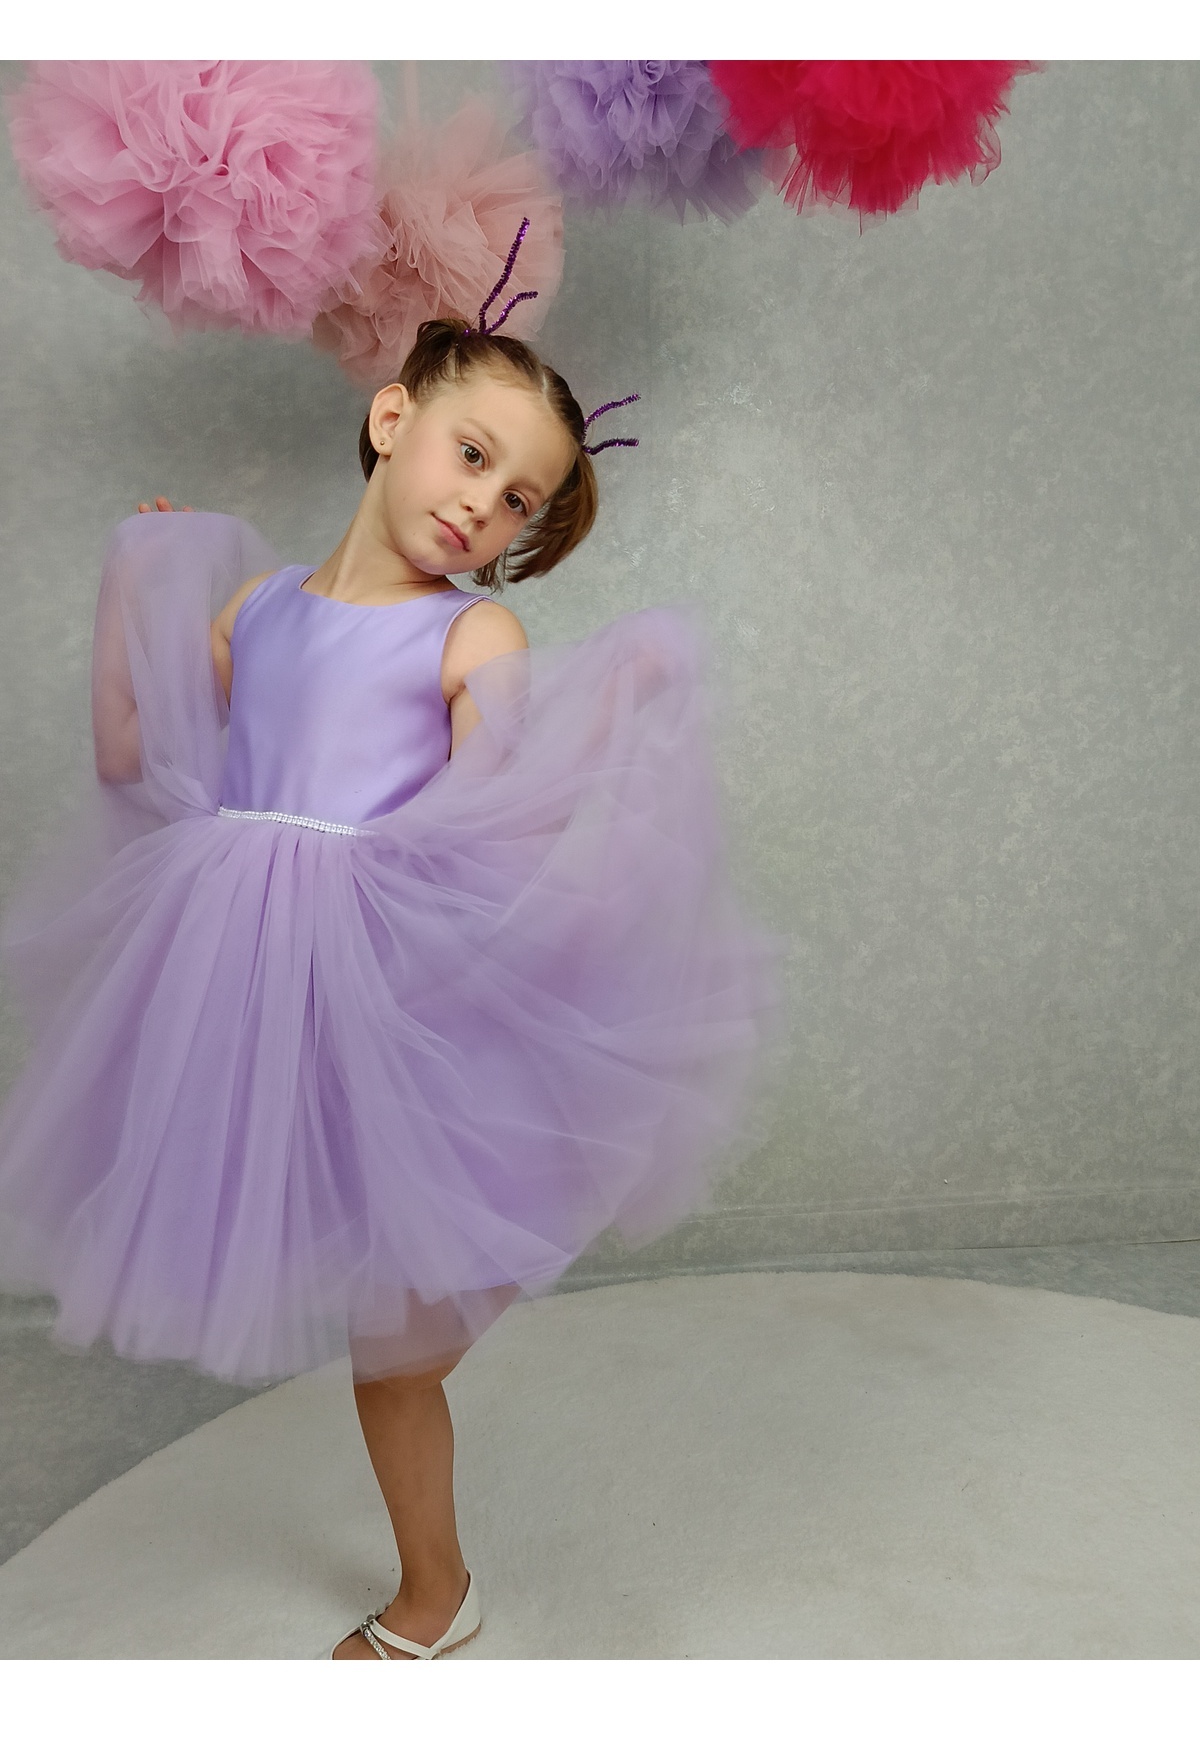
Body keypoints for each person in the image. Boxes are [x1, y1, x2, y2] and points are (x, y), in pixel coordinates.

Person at [0, 257, 780, 1661]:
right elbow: (132, 754)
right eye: (474, 455)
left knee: (396, 1352)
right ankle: (441, 1589)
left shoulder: (471, 630)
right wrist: (137, 585)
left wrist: (600, 715)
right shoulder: (256, 609)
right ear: (391, 417)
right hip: (247, 978)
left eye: (520, 499)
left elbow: (496, 827)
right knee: (314, 1252)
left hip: (393, 992)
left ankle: (436, 1595)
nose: (485, 504)